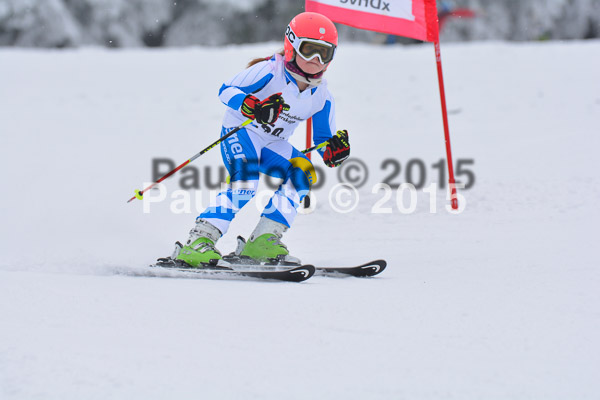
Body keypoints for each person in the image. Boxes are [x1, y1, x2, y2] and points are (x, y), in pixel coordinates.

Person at [174, 12, 350, 267]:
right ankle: (198, 242)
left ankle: (263, 241)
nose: (316, 60)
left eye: (324, 53)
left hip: (271, 143)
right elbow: (226, 90)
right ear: (291, 45)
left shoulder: (322, 97)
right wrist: (252, 106)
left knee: (303, 171)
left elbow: (323, 139)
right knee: (246, 183)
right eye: (309, 50)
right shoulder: (270, 70)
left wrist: (334, 152)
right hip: (242, 132)